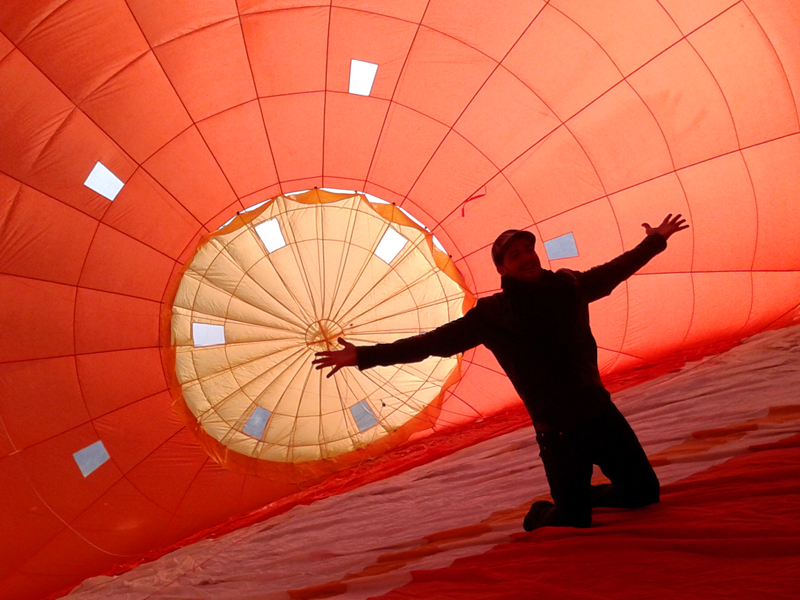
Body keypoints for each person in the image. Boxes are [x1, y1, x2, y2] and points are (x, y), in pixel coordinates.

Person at [313, 214, 689, 531]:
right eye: (514, 255)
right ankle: (547, 511)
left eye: (528, 250)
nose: (526, 257)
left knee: (644, 495)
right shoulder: (491, 315)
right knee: (574, 521)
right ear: (501, 268)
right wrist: (364, 356)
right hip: (558, 433)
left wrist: (655, 241)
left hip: (602, 415)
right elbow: (431, 343)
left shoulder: (569, 286)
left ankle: (584, 496)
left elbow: (613, 272)